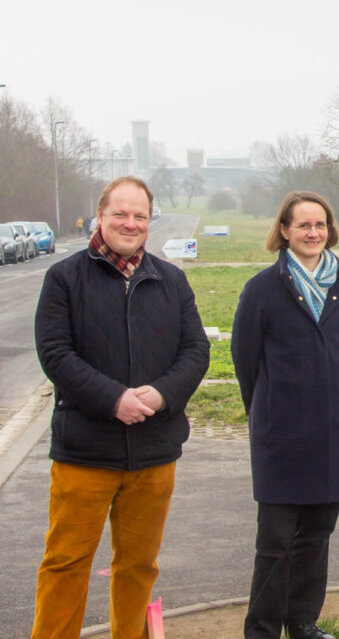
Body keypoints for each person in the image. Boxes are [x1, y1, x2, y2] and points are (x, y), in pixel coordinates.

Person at [31, 176, 210, 639]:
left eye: (139, 216)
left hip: (153, 453)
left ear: (149, 222)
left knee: (138, 567)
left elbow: (195, 351)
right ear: (100, 217)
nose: (130, 224)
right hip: (85, 454)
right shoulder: (64, 278)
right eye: (120, 214)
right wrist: (114, 400)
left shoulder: (171, 279)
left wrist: (162, 394)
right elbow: (55, 354)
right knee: (66, 564)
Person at [232, 191, 339, 639]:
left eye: (320, 225)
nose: (313, 233)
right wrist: (268, 411)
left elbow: (336, 344)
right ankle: (263, 629)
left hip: (335, 427)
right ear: (284, 230)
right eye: (303, 225)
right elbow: (245, 360)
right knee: (275, 541)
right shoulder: (262, 290)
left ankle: (302, 620)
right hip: (281, 432)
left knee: (317, 535)